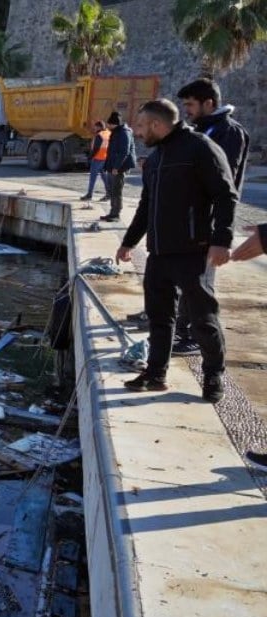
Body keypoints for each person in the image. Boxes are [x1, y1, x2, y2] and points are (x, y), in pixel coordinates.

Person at [115, 99, 237, 403]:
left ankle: (213, 375)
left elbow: (226, 195)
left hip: (193, 251)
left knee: (203, 319)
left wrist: (222, 240)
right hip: (159, 252)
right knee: (159, 317)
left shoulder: (200, 148)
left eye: (141, 126)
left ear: (157, 124)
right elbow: (146, 205)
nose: (138, 134)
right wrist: (129, 241)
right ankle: (156, 374)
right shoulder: (155, 159)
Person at [172, 78, 250, 356]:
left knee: (200, 283)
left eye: (191, 105)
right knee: (187, 278)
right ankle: (182, 330)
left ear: (209, 103)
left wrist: (222, 235)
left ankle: (196, 337)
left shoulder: (228, 133)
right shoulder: (202, 130)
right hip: (190, 221)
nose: (187, 111)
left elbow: (222, 182)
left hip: (209, 222)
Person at [100, 111, 136, 222]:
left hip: (120, 168)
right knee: (112, 189)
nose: (108, 126)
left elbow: (123, 152)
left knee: (116, 190)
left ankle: (116, 215)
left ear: (114, 124)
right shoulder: (116, 132)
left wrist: (116, 167)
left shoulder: (123, 133)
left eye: (109, 124)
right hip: (113, 167)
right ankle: (112, 212)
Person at [80, 120, 110, 201]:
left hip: (97, 159)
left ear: (99, 127)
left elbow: (96, 148)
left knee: (92, 178)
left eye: (95, 127)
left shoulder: (99, 135)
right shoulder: (108, 133)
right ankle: (109, 193)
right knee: (105, 177)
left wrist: (90, 157)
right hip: (104, 158)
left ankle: (89, 195)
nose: (94, 128)